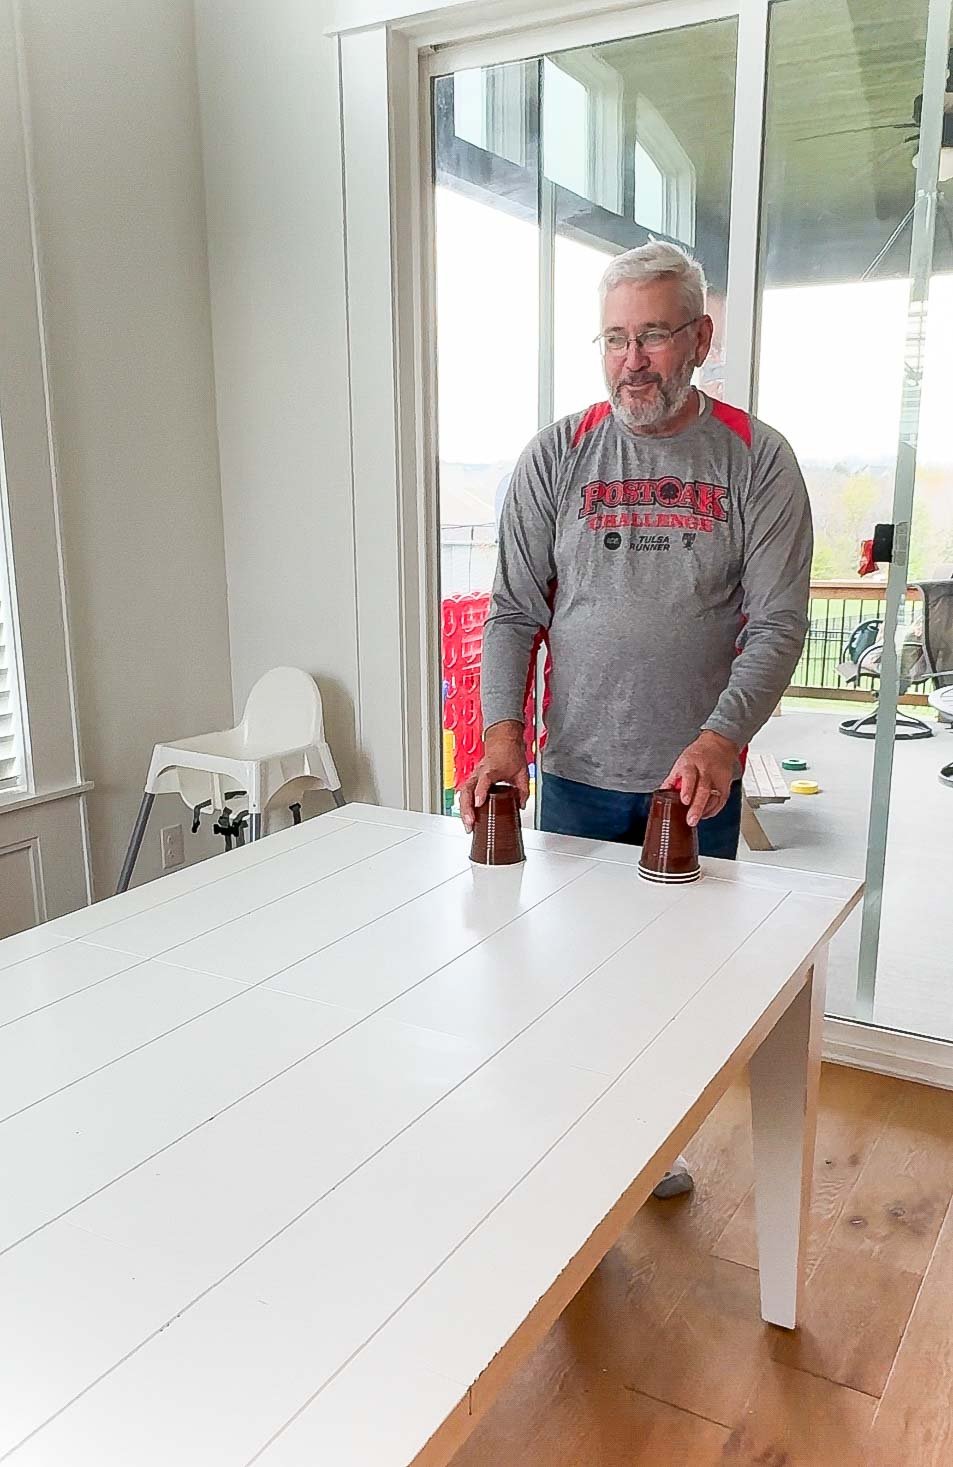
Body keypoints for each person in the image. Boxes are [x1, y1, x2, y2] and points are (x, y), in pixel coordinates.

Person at [460, 240, 813, 1199]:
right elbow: (514, 611)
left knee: (681, 1000)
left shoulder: (756, 458)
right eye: (614, 338)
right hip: (574, 773)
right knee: (568, 986)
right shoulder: (559, 454)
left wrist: (722, 734)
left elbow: (780, 621)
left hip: (690, 787)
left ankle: (651, 1149)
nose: (632, 360)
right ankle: (579, 1161)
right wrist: (502, 735)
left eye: (653, 335)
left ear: (699, 338)